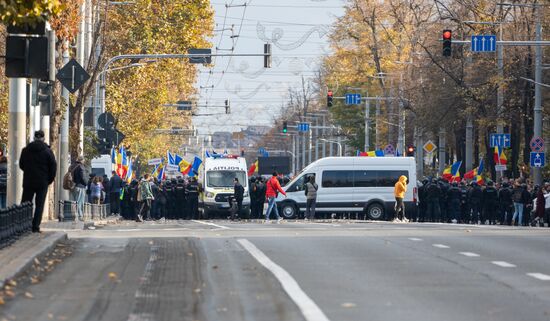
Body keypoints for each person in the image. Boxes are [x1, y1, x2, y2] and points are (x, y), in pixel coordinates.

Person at [19, 130, 57, 232]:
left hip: (28, 181)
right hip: (42, 182)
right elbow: (53, 167)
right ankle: (35, 227)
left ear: (34, 138)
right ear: (43, 138)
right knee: (39, 205)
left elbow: (21, 165)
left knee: (26, 204)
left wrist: (28, 172)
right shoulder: (48, 152)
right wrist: (49, 180)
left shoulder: (26, 150)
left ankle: (23, 225)